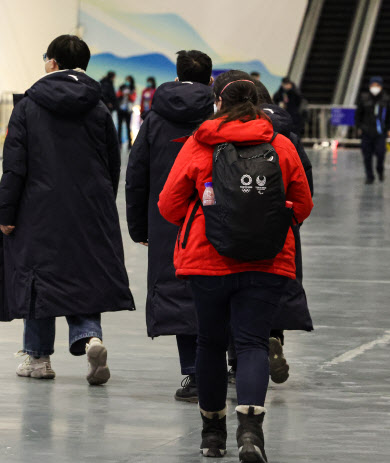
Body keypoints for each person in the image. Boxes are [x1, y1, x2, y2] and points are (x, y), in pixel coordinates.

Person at [158, 71, 313, 460]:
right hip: (267, 260)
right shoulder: (281, 145)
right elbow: (303, 204)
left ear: (217, 103)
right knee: (252, 343)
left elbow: (168, 204)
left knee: (209, 343)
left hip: (207, 260)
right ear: (259, 104)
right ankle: (251, 433)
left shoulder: (200, 144)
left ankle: (212, 435)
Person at [0, 35, 134, 386]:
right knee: (83, 272)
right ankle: (90, 338)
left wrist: (6, 213)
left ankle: (38, 359)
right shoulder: (99, 107)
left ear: (52, 63)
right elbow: (111, 164)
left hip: (38, 208)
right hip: (90, 205)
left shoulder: (28, 106)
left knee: (38, 279)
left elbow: (15, 166)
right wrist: (101, 203)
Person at [126, 50, 214, 403]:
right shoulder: (219, 113)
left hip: (169, 218)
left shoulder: (155, 118)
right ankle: (235, 362)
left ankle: (194, 373)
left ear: (177, 76)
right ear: (210, 79)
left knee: (180, 290)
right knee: (224, 286)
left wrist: (139, 227)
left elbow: (136, 175)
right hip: (220, 215)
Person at [226, 79, 315, 385]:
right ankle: (274, 336)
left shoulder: (223, 133)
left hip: (235, 227)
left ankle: (238, 359)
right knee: (273, 289)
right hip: (279, 227)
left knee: (235, 296)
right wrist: (290, 221)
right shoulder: (286, 133)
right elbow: (305, 187)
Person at [355, 76, 390, 184]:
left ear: (381, 86)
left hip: (380, 132)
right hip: (366, 131)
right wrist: (359, 127)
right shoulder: (363, 98)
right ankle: (369, 176)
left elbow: (389, 116)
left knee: (381, 153)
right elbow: (358, 114)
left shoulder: (386, 99)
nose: (375, 87)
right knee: (367, 155)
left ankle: (380, 170)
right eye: (373, 85)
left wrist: (388, 128)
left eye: (377, 85)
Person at [116, 75, 136, 147]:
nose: (127, 81)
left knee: (128, 127)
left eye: (129, 80)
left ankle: (129, 143)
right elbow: (117, 95)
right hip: (121, 109)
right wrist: (122, 93)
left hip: (128, 110)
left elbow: (133, 99)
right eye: (126, 80)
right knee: (120, 126)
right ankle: (119, 141)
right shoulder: (121, 87)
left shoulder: (132, 89)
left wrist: (129, 95)